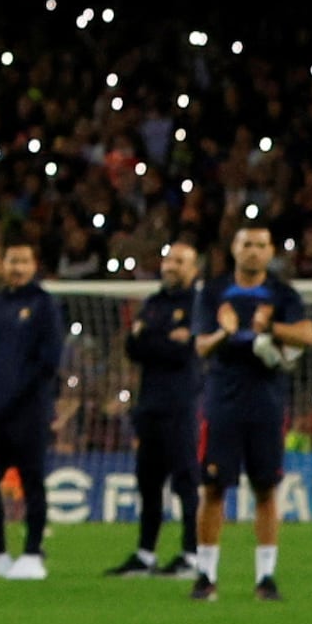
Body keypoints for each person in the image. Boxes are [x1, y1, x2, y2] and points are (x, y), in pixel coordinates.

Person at [192, 223, 312, 603]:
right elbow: (200, 347)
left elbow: (309, 335)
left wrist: (271, 328)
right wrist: (224, 334)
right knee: (213, 489)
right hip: (222, 403)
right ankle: (206, 575)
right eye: (247, 244)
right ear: (234, 248)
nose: (253, 251)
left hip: (266, 403)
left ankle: (265, 577)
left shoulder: (281, 293)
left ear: (270, 251)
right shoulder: (213, 292)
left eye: (261, 245)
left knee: (266, 489)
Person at [0, 240, 67, 581]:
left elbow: (49, 360)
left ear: (34, 266)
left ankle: (33, 553)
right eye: (12, 261)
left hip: (29, 409)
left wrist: (17, 392)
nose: (17, 268)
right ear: (2, 264)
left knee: (32, 479)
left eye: (24, 261)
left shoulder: (44, 305)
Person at [110, 236, 209, 578]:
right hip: (149, 403)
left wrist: (151, 338)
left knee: (185, 479)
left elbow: (185, 351)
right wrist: (163, 338)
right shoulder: (152, 302)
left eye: (180, 261)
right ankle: (145, 554)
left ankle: (191, 554)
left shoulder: (199, 304)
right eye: (168, 260)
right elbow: (132, 348)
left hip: (182, 403)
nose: (170, 266)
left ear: (194, 270)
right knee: (148, 481)